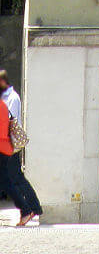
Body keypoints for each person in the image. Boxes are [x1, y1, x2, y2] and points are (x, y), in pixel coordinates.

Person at [0, 70, 41, 226]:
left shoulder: (12, 98)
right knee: (13, 179)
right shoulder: (4, 99)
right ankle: (32, 208)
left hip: (8, 145)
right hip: (5, 145)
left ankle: (31, 208)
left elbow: (12, 123)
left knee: (15, 179)